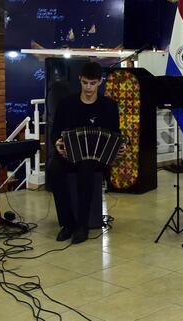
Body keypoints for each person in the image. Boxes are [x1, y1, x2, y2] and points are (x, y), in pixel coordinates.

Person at [50, 61, 121, 244]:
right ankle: (68, 224)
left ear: (99, 82)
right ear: (79, 80)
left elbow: (115, 136)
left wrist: (118, 150)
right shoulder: (67, 104)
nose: (88, 87)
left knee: (86, 167)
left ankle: (83, 225)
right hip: (68, 154)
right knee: (54, 170)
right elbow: (55, 132)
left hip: (96, 158)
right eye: (85, 83)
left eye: (92, 83)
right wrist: (57, 142)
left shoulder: (109, 106)